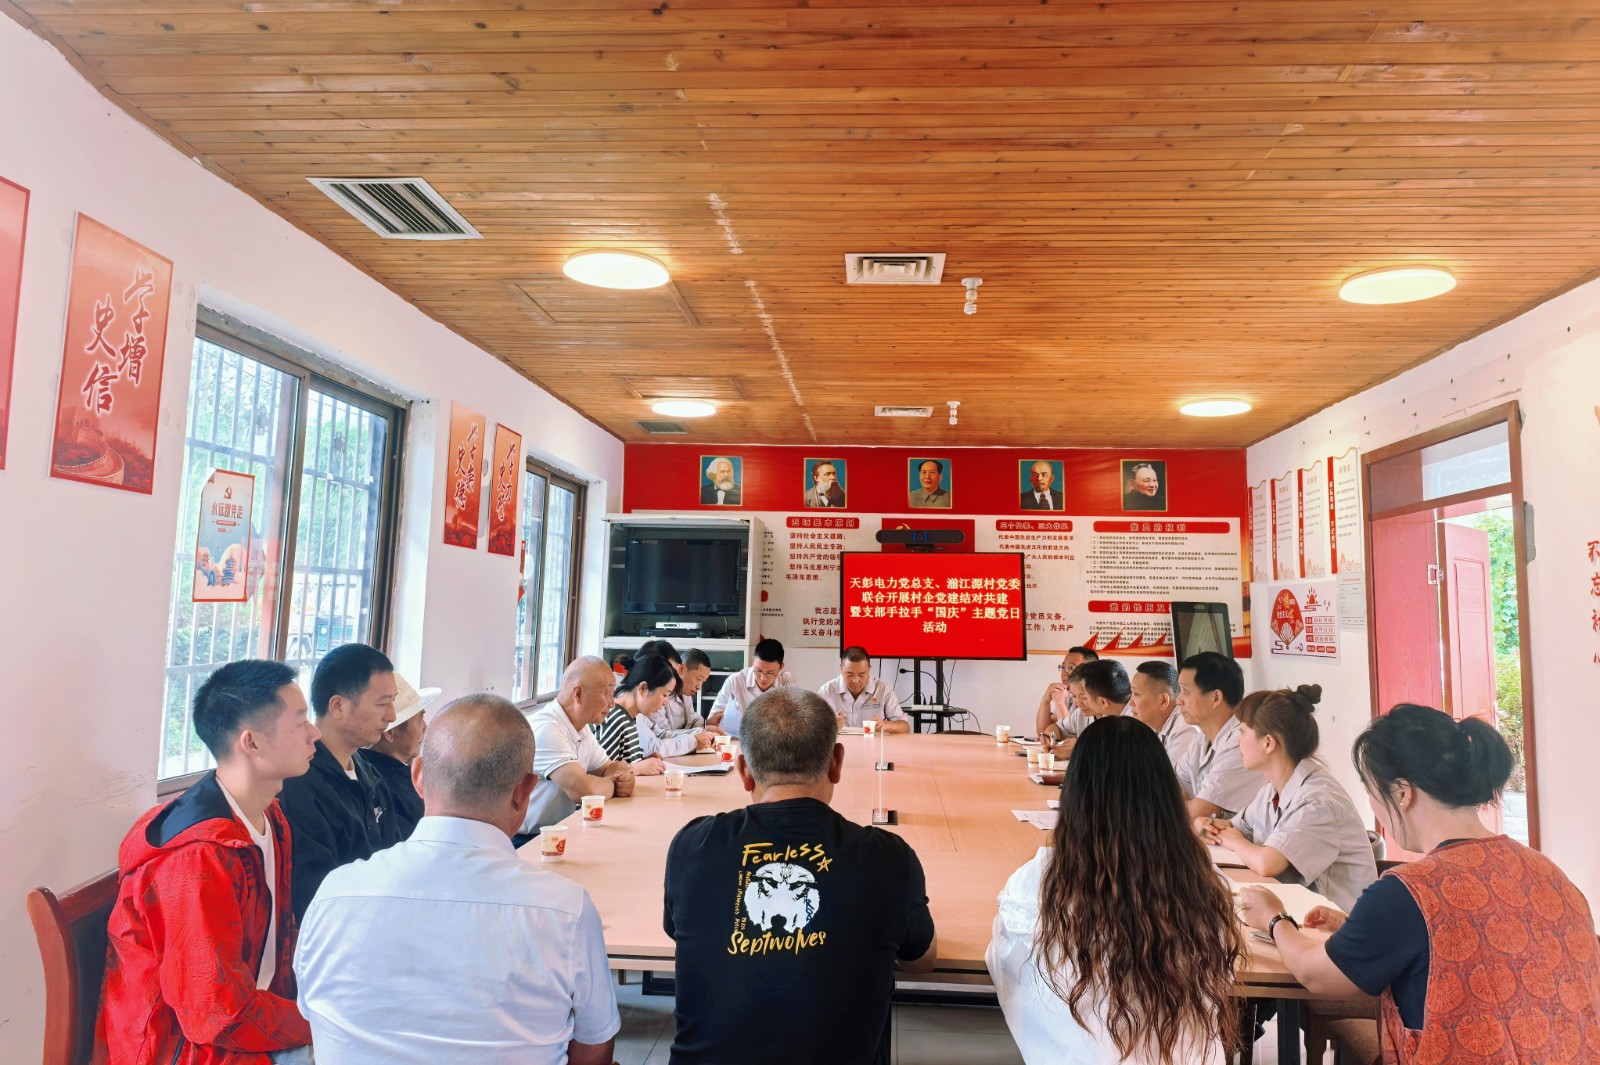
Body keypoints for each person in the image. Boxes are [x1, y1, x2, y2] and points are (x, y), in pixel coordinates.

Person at [1239, 704, 1600, 1063]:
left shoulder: (1408, 891)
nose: (1374, 806)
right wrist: (1359, 929)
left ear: (1402, 792)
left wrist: (1274, 918)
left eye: (1371, 791)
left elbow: (1315, 975)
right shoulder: (1549, 872)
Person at [296, 694, 620, 1065]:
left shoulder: (333, 894)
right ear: (524, 791)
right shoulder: (565, 910)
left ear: (419, 777)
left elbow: (314, 1018)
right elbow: (594, 1047)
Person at [663, 688, 937, 1065]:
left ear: (743, 771)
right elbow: (921, 960)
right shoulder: (888, 857)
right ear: (836, 763)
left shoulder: (692, 845)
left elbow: (679, 932)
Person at [100, 660, 318, 1065]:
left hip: (251, 1020)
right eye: (300, 721)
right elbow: (214, 1015)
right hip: (186, 1048)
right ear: (252, 743)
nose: (314, 733)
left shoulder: (270, 816)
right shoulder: (199, 857)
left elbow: (279, 940)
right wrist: (321, 1024)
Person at [988, 716, 1241, 1065]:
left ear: (1075, 793)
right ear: (1166, 795)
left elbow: (1007, 964)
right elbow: (1223, 974)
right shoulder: (1203, 884)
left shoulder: (1039, 880)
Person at [1197, 685, 1376, 911]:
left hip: (1341, 922)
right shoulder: (1271, 790)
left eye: (1242, 732)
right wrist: (1206, 824)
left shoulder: (1317, 801)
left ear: (1268, 743)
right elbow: (1235, 827)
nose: (1236, 741)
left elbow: (1267, 863)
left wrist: (1233, 841)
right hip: (1302, 913)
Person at [277, 642, 403, 918]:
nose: (392, 716)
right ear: (338, 706)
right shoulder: (298, 784)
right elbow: (315, 895)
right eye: (382, 703)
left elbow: (395, 861)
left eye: (393, 702)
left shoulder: (370, 774)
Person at [521, 656, 637, 835]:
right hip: (529, 839)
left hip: (558, 831)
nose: (612, 703)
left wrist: (622, 777)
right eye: (607, 693)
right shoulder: (547, 729)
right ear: (578, 694)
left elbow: (611, 767)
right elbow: (585, 791)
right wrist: (615, 784)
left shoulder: (581, 728)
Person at [1174, 651, 1263, 822]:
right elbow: (1175, 786)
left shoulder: (1241, 743)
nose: (1178, 700)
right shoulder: (1202, 738)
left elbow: (1198, 812)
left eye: (1186, 691)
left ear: (1215, 697)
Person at [361, 672, 441, 840]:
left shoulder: (375, 769)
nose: (425, 727)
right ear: (390, 733)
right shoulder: (379, 785)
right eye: (419, 720)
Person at [612, 652, 712, 759]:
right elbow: (652, 748)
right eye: (664, 695)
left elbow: (660, 735)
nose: (666, 702)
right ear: (643, 688)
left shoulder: (639, 716)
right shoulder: (619, 717)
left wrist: (697, 734)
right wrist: (693, 741)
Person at [706, 637, 795, 736]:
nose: (763, 678)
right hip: (737, 740)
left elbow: (793, 720)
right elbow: (712, 722)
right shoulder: (735, 681)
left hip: (773, 740)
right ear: (753, 661)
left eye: (770, 673)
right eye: (758, 670)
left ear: (781, 667)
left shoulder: (786, 681)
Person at [1127, 660, 1202, 770]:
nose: (1130, 702)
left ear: (1163, 701)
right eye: (1132, 693)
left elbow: (1173, 779)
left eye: (1136, 694)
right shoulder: (1155, 727)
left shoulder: (1185, 730)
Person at [817, 646, 910, 731]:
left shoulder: (883, 688)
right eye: (850, 674)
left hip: (874, 743)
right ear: (841, 669)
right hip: (840, 743)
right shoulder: (826, 691)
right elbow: (812, 729)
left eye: (861, 674)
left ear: (869, 670)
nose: (855, 681)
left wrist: (885, 725)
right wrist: (830, 726)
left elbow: (905, 727)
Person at [1034, 646, 1097, 751]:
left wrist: (1059, 702)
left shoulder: (1096, 702)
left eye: (1071, 667)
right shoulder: (1068, 694)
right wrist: (1045, 700)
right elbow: (1049, 730)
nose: (1064, 672)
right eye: (1063, 667)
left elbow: (1069, 740)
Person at [651, 646, 722, 736]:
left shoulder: (686, 694)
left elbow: (691, 721)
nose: (699, 687)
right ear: (681, 669)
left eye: (703, 682)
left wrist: (707, 723)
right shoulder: (660, 696)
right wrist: (700, 731)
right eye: (698, 679)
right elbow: (663, 735)